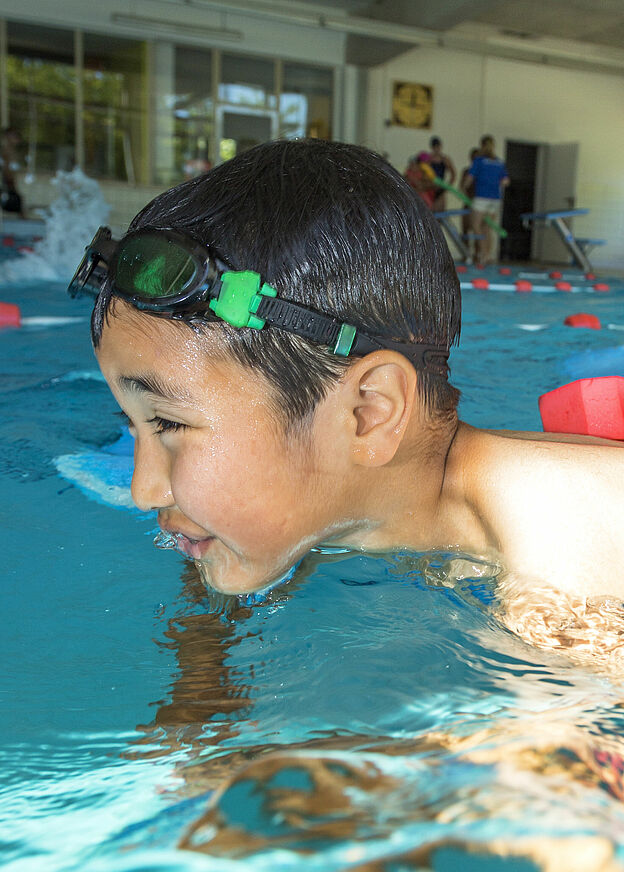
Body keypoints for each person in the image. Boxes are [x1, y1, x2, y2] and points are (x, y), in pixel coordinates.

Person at [70, 138, 624, 618]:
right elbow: (216, 576)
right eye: (135, 424)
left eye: (167, 422)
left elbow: (562, 741)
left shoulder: (568, 528)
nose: (144, 490)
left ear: (368, 414)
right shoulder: (323, 499)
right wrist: (200, 685)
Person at [463, 135, 509, 264]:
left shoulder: (479, 160)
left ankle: (482, 252)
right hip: (495, 198)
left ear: (482, 145)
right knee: (487, 228)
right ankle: (488, 255)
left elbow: (470, 177)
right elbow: (505, 181)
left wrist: (464, 187)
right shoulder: (499, 162)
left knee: (475, 225)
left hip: (482, 196)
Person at [428, 136, 456, 212]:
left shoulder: (445, 159)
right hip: (430, 188)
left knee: (440, 213)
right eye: (435, 146)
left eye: (438, 146)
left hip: (441, 189)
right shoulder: (428, 159)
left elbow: (453, 174)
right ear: (432, 147)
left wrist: (448, 186)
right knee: (430, 212)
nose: (436, 148)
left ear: (440, 147)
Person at [1, 127, 24, 216]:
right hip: (7, 181)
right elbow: (6, 169)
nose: (17, 138)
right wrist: (10, 181)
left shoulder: (12, 151)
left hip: (9, 181)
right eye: (13, 136)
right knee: (18, 202)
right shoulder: (6, 151)